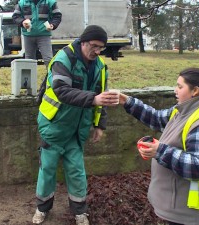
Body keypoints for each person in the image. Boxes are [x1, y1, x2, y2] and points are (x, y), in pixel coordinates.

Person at [119, 68, 199, 225]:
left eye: (180, 87)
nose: (175, 91)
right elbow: (157, 118)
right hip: (180, 208)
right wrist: (126, 101)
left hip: (191, 213)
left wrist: (160, 151)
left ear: (195, 90)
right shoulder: (183, 111)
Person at [34, 25, 119, 225]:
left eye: (101, 48)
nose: (97, 51)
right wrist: (93, 100)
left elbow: (102, 99)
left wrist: (99, 125)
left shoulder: (100, 67)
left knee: (77, 172)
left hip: (76, 130)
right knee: (47, 170)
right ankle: (42, 209)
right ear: (83, 42)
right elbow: (62, 90)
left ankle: (80, 212)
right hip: (53, 126)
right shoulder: (63, 59)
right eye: (95, 46)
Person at [12, 0, 62, 67]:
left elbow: (57, 15)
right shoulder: (22, 2)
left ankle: (51, 77)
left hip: (44, 35)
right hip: (28, 35)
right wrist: (22, 22)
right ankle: (30, 77)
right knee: (29, 60)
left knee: (48, 59)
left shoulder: (50, 2)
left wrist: (53, 24)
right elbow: (15, 16)